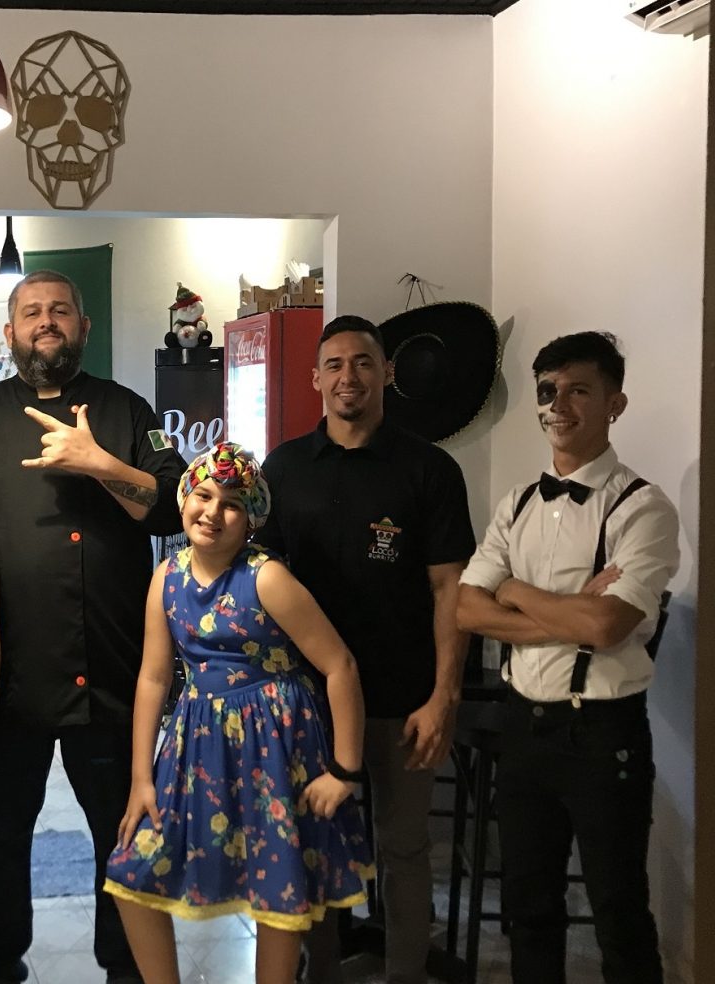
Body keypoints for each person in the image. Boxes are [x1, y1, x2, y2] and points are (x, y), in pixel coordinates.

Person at [0, 269, 185, 984]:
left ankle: (124, 968)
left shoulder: (127, 410)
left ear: (84, 326)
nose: (47, 321)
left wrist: (100, 463)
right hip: (4, 677)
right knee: (1, 834)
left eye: (61, 311)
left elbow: (174, 505)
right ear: (10, 332)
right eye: (32, 312)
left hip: (110, 668)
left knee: (120, 832)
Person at [255, 315, 474, 984]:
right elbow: (259, 582)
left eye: (363, 362)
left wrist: (444, 697)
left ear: (387, 373)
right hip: (307, 704)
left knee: (404, 848)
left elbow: (451, 590)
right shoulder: (283, 468)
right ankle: (321, 971)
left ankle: (405, 973)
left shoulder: (430, 469)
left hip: (404, 699)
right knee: (315, 846)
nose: (348, 376)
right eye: (335, 364)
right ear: (316, 379)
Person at [105, 443, 373, 984]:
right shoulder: (166, 578)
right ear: (184, 500)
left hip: (277, 746)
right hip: (196, 745)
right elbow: (154, 678)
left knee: (278, 883)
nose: (213, 512)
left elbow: (340, 665)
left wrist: (344, 771)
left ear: (251, 520)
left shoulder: (267, 577)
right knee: (132, 871)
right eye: (203, 495)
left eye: (232, 504)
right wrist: (140, 778)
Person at [456, 331, 678, 984]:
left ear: (615, 403)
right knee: (528, 910)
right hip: (524, 725)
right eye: (548, 390)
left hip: (602, 731)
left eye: (579, 390)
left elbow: (607, 624)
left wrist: (514, 590)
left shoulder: (644, 508)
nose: (559, 405)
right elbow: (466, 610)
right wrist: (568, 610)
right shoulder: (518, 503)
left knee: (618, 911)